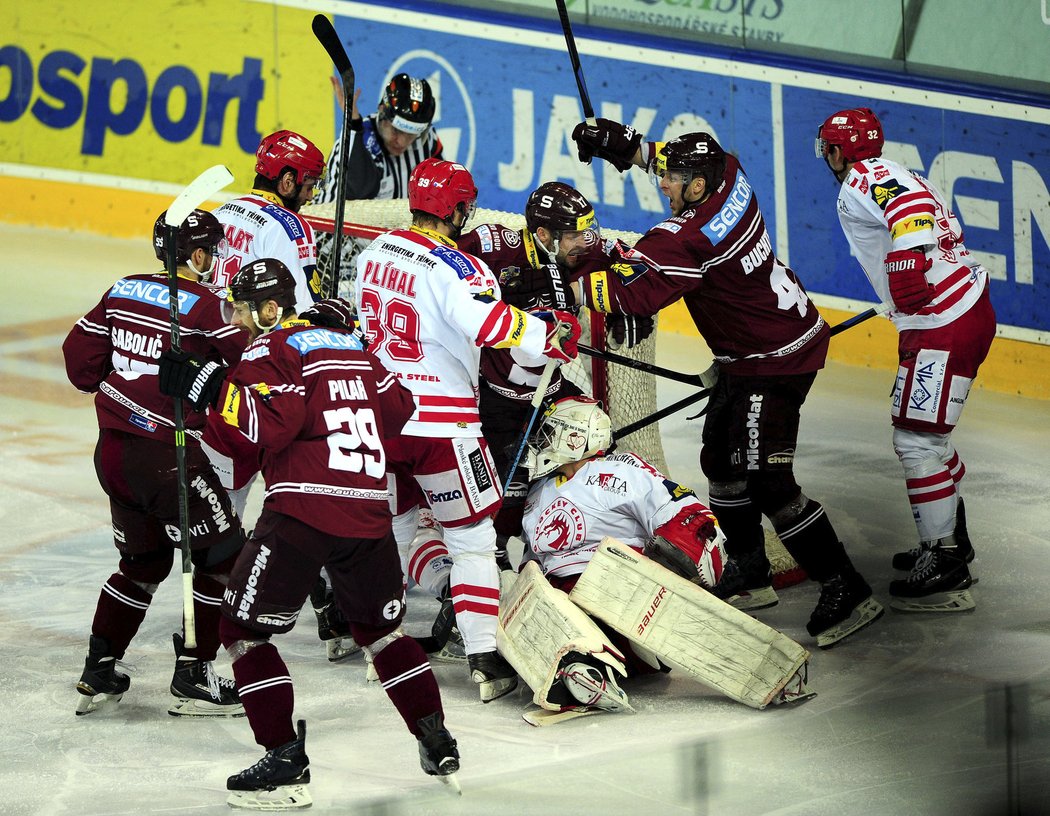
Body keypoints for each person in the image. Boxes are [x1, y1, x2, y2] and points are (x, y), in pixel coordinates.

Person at [568, 119, 883, 648]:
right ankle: (749, 569)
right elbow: (674, 162)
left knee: (768, 480)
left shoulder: (689, 238)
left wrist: (561, 287)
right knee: (721, 460)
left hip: (775, 361)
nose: (662, 184)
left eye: (671, 181)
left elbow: (635, 295)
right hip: (756, 349)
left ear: (696, 187)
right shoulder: (730, 174)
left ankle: (845, 586)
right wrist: (629, 148)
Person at [158, 261, 460, 809]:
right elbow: (400, 408)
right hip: (369, 513)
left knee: (241, 630)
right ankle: (434, 736)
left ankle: (282, 761)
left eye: (245, 310)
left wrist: (206, 391)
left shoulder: (268, 348)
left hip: (301, 512)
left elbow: (264, 429)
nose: (242, 321)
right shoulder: (353, 347)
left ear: (272, 308)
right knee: (383, 634)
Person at [354, 156, 582, 701]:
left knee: (393, 533)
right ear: (456, 209)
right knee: (473, 544)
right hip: (443, 423)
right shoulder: (458, 266)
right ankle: (483, 661)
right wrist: (547, 331)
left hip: (382, 417)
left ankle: (380, 650)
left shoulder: (374, 252)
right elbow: (492, 324)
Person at [505, 396, 811, 715]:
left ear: (575, 437)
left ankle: (767, 669)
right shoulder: (537, 494)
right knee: (514, 585)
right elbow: (533, 568)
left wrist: (700, 537)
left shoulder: (618, 472)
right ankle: (581, 668)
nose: (540, 443)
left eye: (549, 433)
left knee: (596, 589)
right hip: (565, 602)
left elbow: (670, 503)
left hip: (619, 590)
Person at [63, 209, 247, 717]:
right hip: (169, 461)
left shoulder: (122, 288)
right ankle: (193, 672)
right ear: (199, 254)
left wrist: (128, 390)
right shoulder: (209, 307)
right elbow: (252, 364)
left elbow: (79, 365)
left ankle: (99, 667)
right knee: (225, 559)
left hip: (114, 454)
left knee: (142, 563)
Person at [815, 107, 995, 612]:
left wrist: (906, 267)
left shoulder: (862, 179)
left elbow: (911, 213)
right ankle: (948, 533)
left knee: (916, 440)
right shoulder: (894, 169)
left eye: (826, 147)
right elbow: (914, 208)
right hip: (960, 310)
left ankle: (945, 557)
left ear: (837, 150)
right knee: (925, 436)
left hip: (942, 322)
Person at [312, 73, 443, 295]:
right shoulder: (359, 140)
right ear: (383, 114)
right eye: (397, 130)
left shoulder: (427, 142)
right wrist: (352, 124)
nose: (401, 141)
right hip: (334, 256)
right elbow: (360, 191)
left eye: (411, 134)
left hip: (392, 259)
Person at [212, 129, 326, 312]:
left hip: (216, 328)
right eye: (309, 187)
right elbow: (303, 309)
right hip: (253, 335)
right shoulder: (290, 227)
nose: (311, 196)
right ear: (288, 182)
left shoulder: (218, 213)